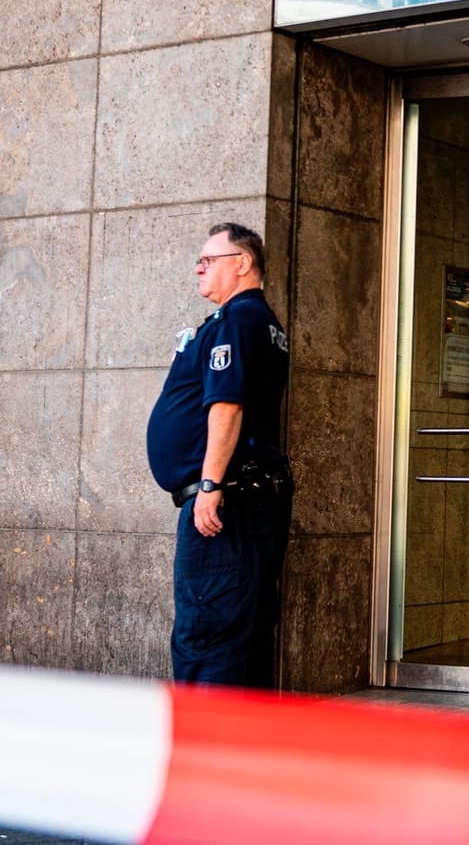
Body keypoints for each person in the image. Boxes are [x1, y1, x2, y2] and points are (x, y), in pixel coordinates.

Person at [147, 222, 292, 688]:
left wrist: (209, 486)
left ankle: (205, 752)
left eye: (208, 261)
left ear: (243, 264)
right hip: (248, 499)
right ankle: (242, 753)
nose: (198, 268)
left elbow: (227, 405)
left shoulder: (237, 321)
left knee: (208, 634)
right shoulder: (262, 323)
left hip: (226, 503)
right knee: (242, 638)